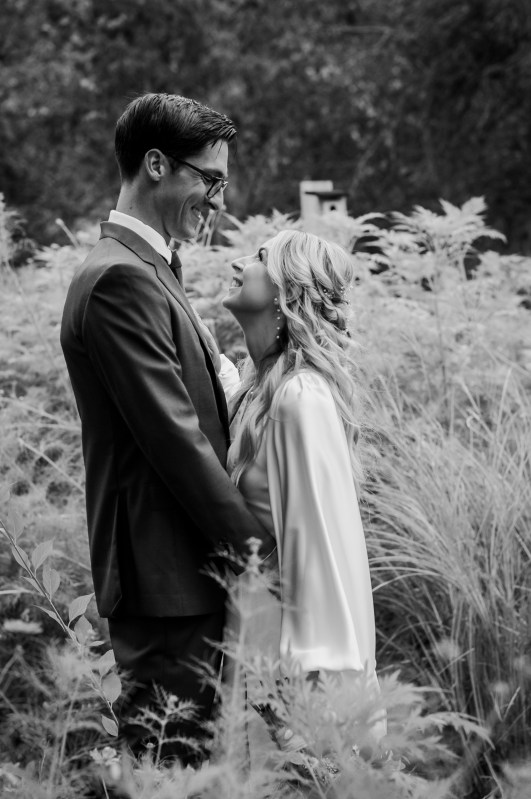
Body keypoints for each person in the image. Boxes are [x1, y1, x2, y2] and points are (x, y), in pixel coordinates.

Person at [60, 93, 275, 763]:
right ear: (156, 165)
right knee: (170, 769)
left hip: (181, 574)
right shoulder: (119, 279)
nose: (219, 200)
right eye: (210, 179)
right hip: (166, 582)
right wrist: (261, 552)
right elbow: (175, 439)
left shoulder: (146, 267)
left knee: (190, 765)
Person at [222, 229, 385, 761]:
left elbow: (324, 553)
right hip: (252, 635)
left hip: (289, 667)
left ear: (285, 290)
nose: (237, 262)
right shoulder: (262, 388)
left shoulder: (301, 397)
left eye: (259, 256)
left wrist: (303, 702)